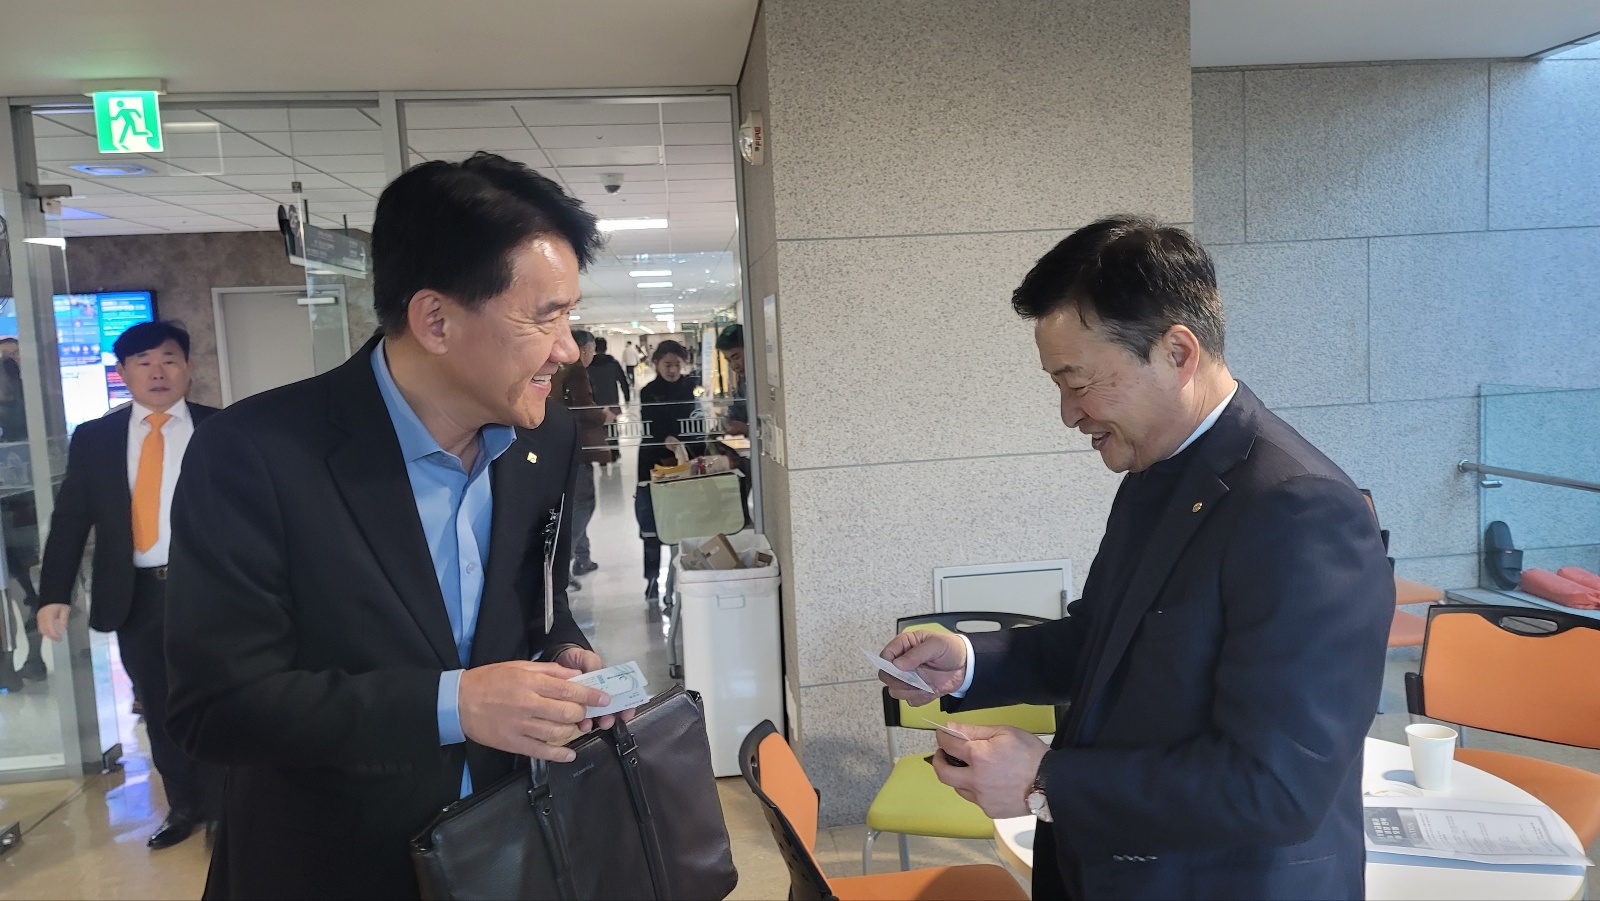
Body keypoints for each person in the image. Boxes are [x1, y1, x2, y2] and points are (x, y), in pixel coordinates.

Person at [880, 216, 1393, 901]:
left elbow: (1277, 788)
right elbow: (1105, 639)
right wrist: (970, 661)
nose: (1069, 413)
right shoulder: (1158, 470)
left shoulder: (1301, 510)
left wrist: (1045, 780)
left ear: (1178, 352)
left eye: (1079, 381)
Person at [164, 152, 632, 899]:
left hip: (513, 844)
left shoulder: (543, 439)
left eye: (569, 315)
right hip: (330, 865)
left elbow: (535, 601)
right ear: (435, 320)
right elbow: (217, 707)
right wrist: (456, 704)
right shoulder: (256, 454)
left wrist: (562, 651)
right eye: (544, 317)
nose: (568, 349)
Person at [34, 321, 221, 850]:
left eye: (169, 359)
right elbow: (71, 519)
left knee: (217, 696)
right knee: (159, 707)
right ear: (123, 373)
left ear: (188, 367)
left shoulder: (222, 428)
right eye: (143, 362)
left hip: (211, 591)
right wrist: (54, 593)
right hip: (136, 595)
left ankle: (225, 806)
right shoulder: (96, 438)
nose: (158, 372)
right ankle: (185, 806)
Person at [635, 340, 699, 603]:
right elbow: (649, 424)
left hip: (686, 458)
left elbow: (697, 421)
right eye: (667, 364)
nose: (672, 370)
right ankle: (652, 580)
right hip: (653, 460)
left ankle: (687, 575)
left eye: (677, 364)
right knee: (652, 521)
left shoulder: (692, 387)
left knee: (686, 518)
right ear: (656, 364)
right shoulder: (649, 392)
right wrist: (666, 440)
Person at [557, 329, 609, 582]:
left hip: (561, 443)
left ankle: (583, 558)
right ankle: (562, 564)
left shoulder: (559, 368)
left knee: (574, 503)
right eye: (592, 350)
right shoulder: (577, 370)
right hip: (578, 446)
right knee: (584, 503)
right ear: (585, 349)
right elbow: (584, 408)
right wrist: (604, 415)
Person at [587, 336, 631, 464]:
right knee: (613, 427)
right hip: (612, 400)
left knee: (599, 428)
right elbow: (623, 380)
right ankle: (615, 452)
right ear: (606, 347)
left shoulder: (589, 365)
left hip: (596, 402)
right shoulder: (613, 363)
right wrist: (627, 397)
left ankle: (602, 455)